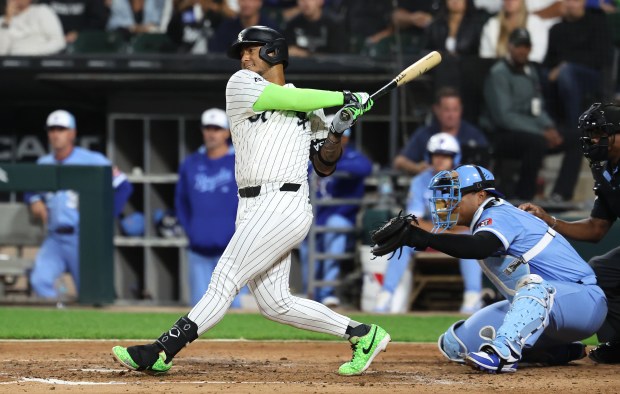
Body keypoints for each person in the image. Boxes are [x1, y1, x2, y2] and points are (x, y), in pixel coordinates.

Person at [112, 25, 390, 377]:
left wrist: (337, 129)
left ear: (274, 52)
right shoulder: (241, 84)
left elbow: (324, 165)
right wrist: (343, 97)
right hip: (251, 205)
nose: (244, 57)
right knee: (276, 305)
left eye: (252, 49)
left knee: (225, 277)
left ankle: (161, 350)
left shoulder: (314, 105)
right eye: (242, 51)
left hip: (286, 203)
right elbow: (291, 100)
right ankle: (363, 334)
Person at [371, 164, 607, 373]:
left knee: (534, 287)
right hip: (547, 315)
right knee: (455, 344)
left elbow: (479, 247)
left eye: (455, 195)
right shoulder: (484, 220)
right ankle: (558, 351)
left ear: (480, 195)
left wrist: (421, 238)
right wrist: (419, 237)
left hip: (582, 302)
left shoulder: (499, 213)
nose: (448, 203)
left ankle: (503, 356)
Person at [519, 103, 620, 364]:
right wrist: (548, 219)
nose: (594, 139)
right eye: (591, 134)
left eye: (600, 132)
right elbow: (596, 228)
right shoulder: (606, 170)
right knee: (598, 272)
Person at [27, 110, 133, 299]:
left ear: (72, 133)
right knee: (39, 280)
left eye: (61, 129)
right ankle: (60, 321)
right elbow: (29, 188)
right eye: (52, 129)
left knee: (92, 293)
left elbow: (123, 186)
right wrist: (34, 200)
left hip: (84, 238)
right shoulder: (43, 163)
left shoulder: (92, 160)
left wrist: (104, 217)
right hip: (55, 238)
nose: (56, 134)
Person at [375, 133, 483, 314]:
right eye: (437, 154)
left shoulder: (466, 181)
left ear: (454, 158)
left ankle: (473, 295)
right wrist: (439, 232)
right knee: (402, 238)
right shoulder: (420, 181)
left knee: (473, 238)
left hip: (459, 235)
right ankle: (386, 294)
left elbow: (471, 222)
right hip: (432, 235)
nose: (440, 160)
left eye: (446, 155)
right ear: (429, 157)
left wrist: (449, 232)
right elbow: (414, 221)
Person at [481, 27, 581, 201]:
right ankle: (524, 196)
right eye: (518, 46)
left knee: (577, 139)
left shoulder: (531, 71)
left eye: (526, 46)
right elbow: (504, 117)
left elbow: (538, 107)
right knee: (537, 143)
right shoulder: (498, 74)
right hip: (501, 134)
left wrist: (549, 127)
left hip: (531, 130)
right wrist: (541, 132)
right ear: (509, 47)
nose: (522, 50)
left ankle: (560, 194)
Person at [175, 108, 249, 307]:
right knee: (200, 312)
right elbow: (181, 202)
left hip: (235, 252)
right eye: (208, 128)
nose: (211, 133)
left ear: (227, 132)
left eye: (217, 128)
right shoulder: (190, 163)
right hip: (198, 250)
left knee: (238, 311)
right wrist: (192, 232)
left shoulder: (241, 161)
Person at [300, 125, 372, 307]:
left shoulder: (352, 156)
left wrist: (330, 162)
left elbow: (365, 168)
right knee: (304, 241)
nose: (339, 140)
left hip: (342, 217)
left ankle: (327, 291)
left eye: (342, 136)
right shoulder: (311, 157)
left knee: (334, 228)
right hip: (315, 216)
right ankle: (311, 292)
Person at [542, 0, 613, 173]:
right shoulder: (556, 29)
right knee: (538, 75)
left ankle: (574, 130)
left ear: (583, 3)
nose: (570, 5)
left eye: (574, 1)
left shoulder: (597, 24)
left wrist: (565, 66)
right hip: (561, 75)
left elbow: (603, 59)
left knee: (567, 74)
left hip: (591, 77)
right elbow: (548, 61)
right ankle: (547, 127)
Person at [393, 87, 488, 175]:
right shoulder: (425, 134)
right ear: (436, 109)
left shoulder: (473, 135)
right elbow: (399, 161)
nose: (451, 115)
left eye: (455, 110)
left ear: (461, 110)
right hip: (430, 187)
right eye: (447, 110)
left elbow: (486, 166)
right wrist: (417, 168)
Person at [422, 0, 484, 90]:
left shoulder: (476, 25)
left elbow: (478, 53)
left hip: (466, 68)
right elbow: (425, 51)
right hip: (440, 68)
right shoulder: (436, 24)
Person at [479, 0, 550, 64]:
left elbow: (536, 57)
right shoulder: (492, 25)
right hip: (498, 73)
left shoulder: (535, 23)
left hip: (525, 72)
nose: (510, 1)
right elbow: (485, 58)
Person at [208, 0, 277, 53]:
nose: (246, 4)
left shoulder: (270, 29)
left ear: (259, 2)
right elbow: (217, 56)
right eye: (243, 0)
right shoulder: (226, 27)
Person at [0, 0, 66, 55]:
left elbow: (59, 42)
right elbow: (2, 51)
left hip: (40, 62)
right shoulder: (3, 21)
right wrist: (7, 19)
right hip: (12, 64)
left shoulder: (42, 11)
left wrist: (32, 54)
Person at [41, 0, 108, 45]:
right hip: (49, 39)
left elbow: (98, 20)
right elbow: (39, 17)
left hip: (83, 42)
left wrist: (79, 34)